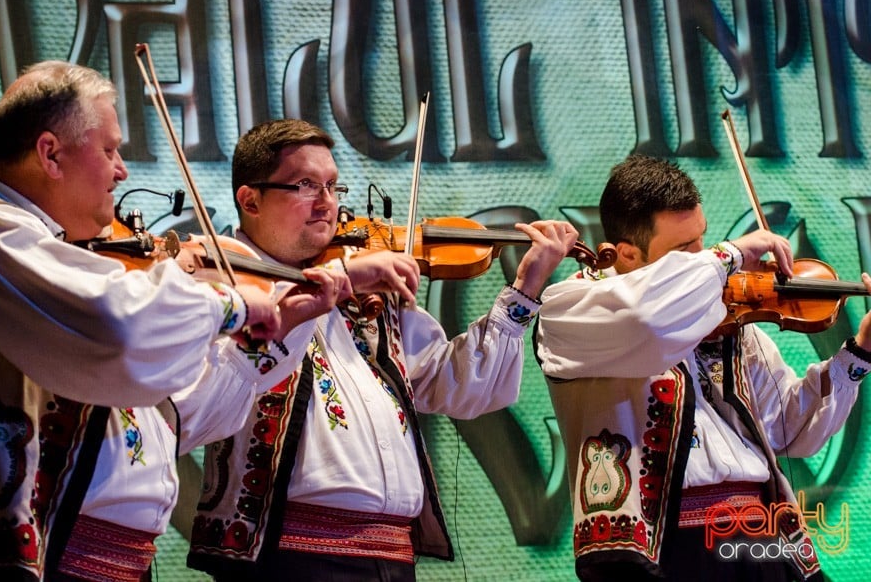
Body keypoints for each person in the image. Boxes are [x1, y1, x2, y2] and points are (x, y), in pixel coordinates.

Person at [0, 62, 332, 580]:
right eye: (109, 149)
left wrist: (273, 333)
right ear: (50, 153)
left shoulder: (56, 257)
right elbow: (120, 326)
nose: (121, 170)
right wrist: (232, 303)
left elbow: (178, 416)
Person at [185, 118, 580, 580]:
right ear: (250, 199)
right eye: (305, 185)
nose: (327, 203)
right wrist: (337, 284)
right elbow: (211, 388)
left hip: (391, 554)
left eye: (333, 185)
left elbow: (460, 387)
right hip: (286, 554)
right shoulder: (217, 283)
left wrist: (526, 287)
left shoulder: (368, 296)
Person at [534, 154, 871, 581]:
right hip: (664, 551)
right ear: (628, 254)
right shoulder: (572, 308)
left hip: (758, 536)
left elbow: (790, 428)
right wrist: (728, 254)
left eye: (703, 241)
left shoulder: (724, 315)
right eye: (684, 252)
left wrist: (860, 353)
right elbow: (648, 318)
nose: (703, 261)